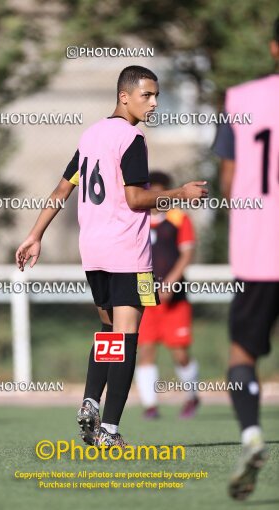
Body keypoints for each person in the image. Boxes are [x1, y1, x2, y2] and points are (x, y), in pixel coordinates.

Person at [16, 65, 208, 448]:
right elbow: (136, 198)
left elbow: (60, 190)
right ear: (125, 96)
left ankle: (91, 400)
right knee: (128, 338)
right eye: (147, 95)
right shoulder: (132, 138)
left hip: (93, 253)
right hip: (128, 253)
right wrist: (180, 195)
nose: (154, 103)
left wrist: (35, 234)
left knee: (109, 333)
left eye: (156, 95)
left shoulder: (90, 137)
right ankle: (111, 430)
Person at [212, 18, 279, 500]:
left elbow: (230, 184)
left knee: (241, 354)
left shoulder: (240, 100)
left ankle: (252, 435)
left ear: (275, 48)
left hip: (258, 254)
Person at [135, 171, 200, 420]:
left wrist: (171, 282)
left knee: (180, 353)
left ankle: (192, 396)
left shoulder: (178, 219)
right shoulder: (136, 219)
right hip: (145, 294)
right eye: (152, 192)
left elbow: (187, 253)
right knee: (147, 350)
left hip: (176, 297)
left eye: (162, 192)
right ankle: (150, 406)